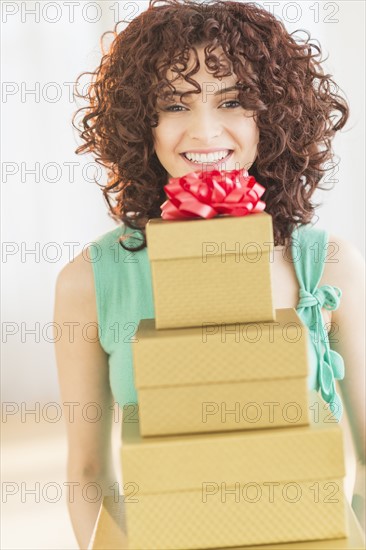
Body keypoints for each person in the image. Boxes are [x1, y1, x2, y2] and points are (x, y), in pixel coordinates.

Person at [53, 0, 365, 547]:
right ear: (139, 123)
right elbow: (87, 474)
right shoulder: (89, 282)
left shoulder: (326, 265)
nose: (204, 131)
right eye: (174, 103)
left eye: (235, 100)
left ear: (273, 116)